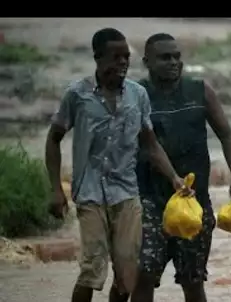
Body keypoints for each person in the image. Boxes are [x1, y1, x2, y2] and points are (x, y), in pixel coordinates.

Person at [45, 28, 186, 302]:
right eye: (115, 57)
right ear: (98, 58)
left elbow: (150, 144)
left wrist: (174, 178)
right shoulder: (77, 95)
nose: (122, 63)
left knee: (127, 275)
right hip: (89, 194)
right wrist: (55, 189)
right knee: (92, 269)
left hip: (126, 193)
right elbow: (53, 140)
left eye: (126, 58)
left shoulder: (137, 95)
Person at [131, 33, 231, 302]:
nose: (173, 62)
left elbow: (227, 135)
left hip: (195, 203)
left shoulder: (200, 91)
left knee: (193, 280)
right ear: (147, 61)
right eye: (165, 57)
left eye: (177, 57)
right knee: (144, 274)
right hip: (150, 200)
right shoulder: (137, 95)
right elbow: (142, 145)